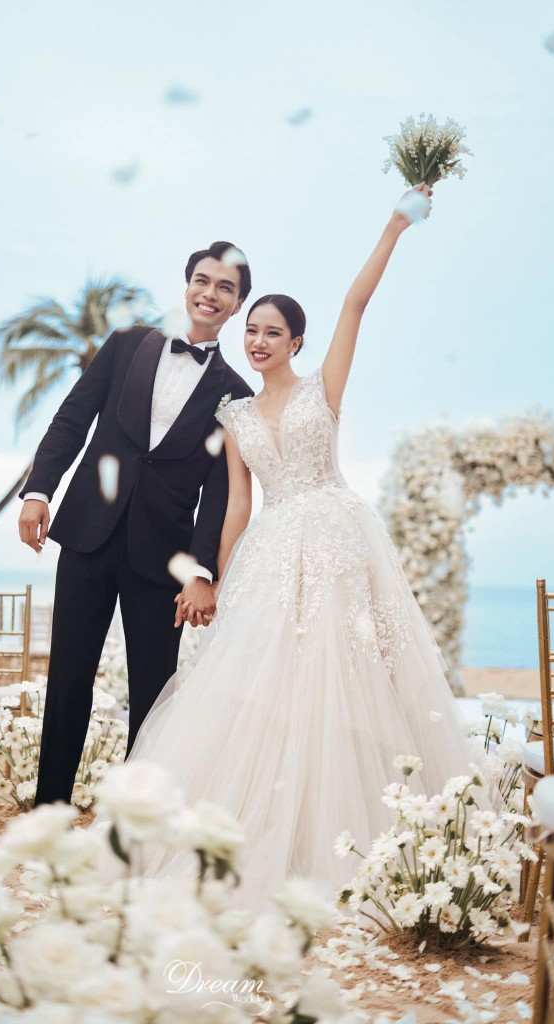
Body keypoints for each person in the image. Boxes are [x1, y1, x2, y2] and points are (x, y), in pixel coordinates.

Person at [94, 184, 483, 910]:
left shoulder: (322, 390)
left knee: (342, 674)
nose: (259, 341)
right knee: (263, 683)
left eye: (273, 332)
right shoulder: (234, 414)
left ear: (295, 342)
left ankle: (364, 830)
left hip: (337, 541)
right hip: (271, 552)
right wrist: (212, 576)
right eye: (253, 331)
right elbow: (238, 506)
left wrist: (395, 225)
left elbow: (355, 305)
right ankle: (264, 824)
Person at [18, 241, 254, 805]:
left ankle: (133, 817)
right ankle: (50, 808)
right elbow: (72, 418)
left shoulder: (236, 395)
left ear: (238, 303)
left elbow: (219, 495)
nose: (210, 294)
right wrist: (38, 490)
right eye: (203, 280)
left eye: (225, 287)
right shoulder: (126, 344)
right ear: (187, 285)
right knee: (68, 678)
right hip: (86, 534)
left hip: (165, 558)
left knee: (153, 696)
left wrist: (203, 573)